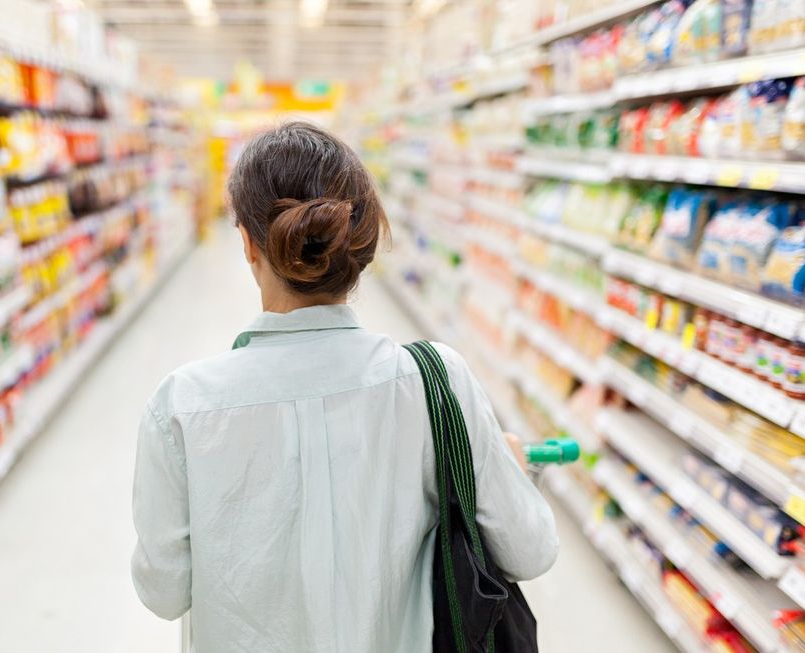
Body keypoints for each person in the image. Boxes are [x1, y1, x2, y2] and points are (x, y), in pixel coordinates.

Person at [131, 122, 559, 652]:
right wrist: (510, 470)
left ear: (246, 244)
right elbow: (530, 551)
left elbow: (163, 591)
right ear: (361, 243)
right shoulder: (436, 384)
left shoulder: (182, 406)